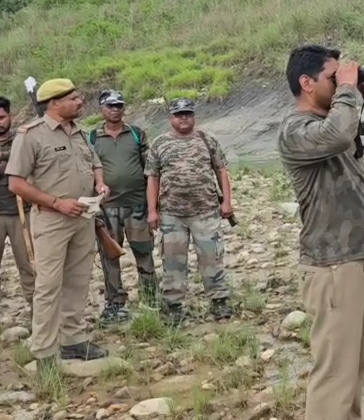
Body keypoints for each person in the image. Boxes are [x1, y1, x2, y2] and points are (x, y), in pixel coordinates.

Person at [276, 44, 364, 420]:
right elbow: (339, 135)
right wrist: (348, 88)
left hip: (354, 259)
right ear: (306, 83)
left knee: (352, 367)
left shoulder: (331, 123)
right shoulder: (296, 130)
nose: (341, 82)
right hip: (332, 266)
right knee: (335, 374)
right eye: (332, 77)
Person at [5, 78, 112, 367]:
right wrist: (56, 203)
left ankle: (73, 340)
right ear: (54, 103)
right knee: (48, 286)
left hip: (84, 218)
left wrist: (100, 183)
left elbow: (95, 164)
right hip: (51, 221)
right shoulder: (31, 136)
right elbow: (16, 183)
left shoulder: (80, 132)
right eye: (73, 98)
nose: (80, 101)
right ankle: (44, 351)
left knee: (78, 281)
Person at [144, 98, 234, 325]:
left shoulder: (207, 140)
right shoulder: (159, 143)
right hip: (171, 214)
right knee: (173, 261)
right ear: (170, 118)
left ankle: (219, 301)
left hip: (205, 211)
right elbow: (153, 178)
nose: (183, 118)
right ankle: (173, 305)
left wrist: (227, 202)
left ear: (194, 116)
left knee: (211, 258)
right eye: (178, 114)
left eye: (187, 113)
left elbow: (221, 170)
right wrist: (152, 211)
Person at [88, 89, 157, 324]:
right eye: (110, 106)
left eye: (119, 105)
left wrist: (153, 203)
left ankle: (151, 297)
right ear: (102, 109)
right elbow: (88, 170)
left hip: (137, 205)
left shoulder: (136, 134)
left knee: (144, 251)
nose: (115, 110)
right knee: (109, 255)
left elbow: (150, 168)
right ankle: (115, 302)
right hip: (107, 208)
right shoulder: (92, 138)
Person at [0, 96, 36, 320]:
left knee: (29, 265)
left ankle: (37, 312)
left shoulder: (21, 139)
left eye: (1, 117)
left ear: (9, 116)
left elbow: (27, 163)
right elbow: (13, 165)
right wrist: (10, 161)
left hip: (21, 212)